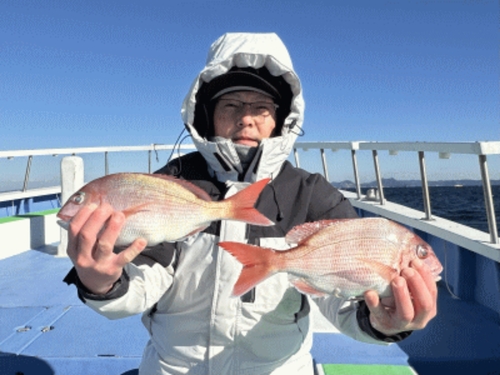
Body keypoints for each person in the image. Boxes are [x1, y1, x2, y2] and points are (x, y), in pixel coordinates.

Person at [64, 32, 438, 375]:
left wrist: (381, 322)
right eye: (230, 105)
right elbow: (145, 282)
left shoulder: (312, 194)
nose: (246, 119)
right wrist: (102, 283)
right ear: (207, 114)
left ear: (280, 120)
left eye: (261, 107)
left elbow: (341, 301)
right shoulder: (171, 184)